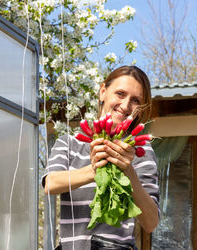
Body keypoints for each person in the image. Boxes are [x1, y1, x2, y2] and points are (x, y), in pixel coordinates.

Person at [42, 65, 160, 249]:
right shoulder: (70, 143)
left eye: (135, 100)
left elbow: (151, 222)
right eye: (120, 94)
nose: (126, 105)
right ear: (103, 92)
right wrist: (94, 169)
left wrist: (128, 172)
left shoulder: (138, 150)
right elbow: (50, 184)